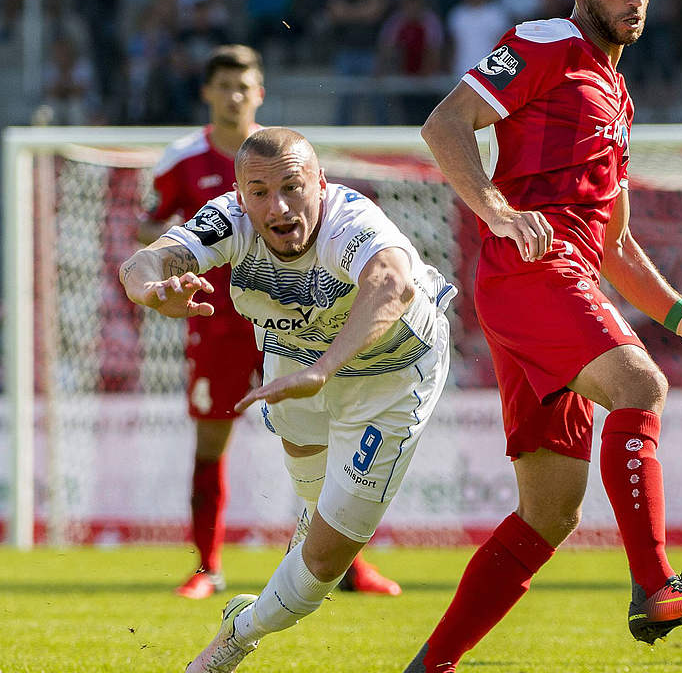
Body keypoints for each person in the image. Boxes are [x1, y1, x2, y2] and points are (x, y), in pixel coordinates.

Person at [405, 0, 682, 671]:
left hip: (554, 279)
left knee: (549, 512)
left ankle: (429, 666)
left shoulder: (617, 94)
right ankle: (656, 585)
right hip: (531, 271)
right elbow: (445, 124)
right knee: (638, 385)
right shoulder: (542, 43)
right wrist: (496, 210)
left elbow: (620, 246)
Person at [121, 127, 454, 672]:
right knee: (311, 498)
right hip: (295, 359)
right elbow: (144, 261)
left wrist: (324, 370)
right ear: (241, 196)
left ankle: (236, 636)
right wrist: (153, 291)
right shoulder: (230, 218)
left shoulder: (352, 222)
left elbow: (392, 282)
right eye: (258, 193)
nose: (277, 207)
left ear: (320, 184)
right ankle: (303, 532)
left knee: (323, 561)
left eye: (293, 188)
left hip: (390, 379)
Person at [138, 46, 402, 600]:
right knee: (212, 439)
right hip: (218, 322)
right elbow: (151, 230)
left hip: (296, 320)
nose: (234, 96)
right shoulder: (180, 160)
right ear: (207, 92)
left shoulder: (285, 157)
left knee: (332, 439)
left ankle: (342, 564)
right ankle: (207, 567)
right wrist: (178, 261)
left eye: (245, 87)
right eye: (224, 86)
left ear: (260, 92)